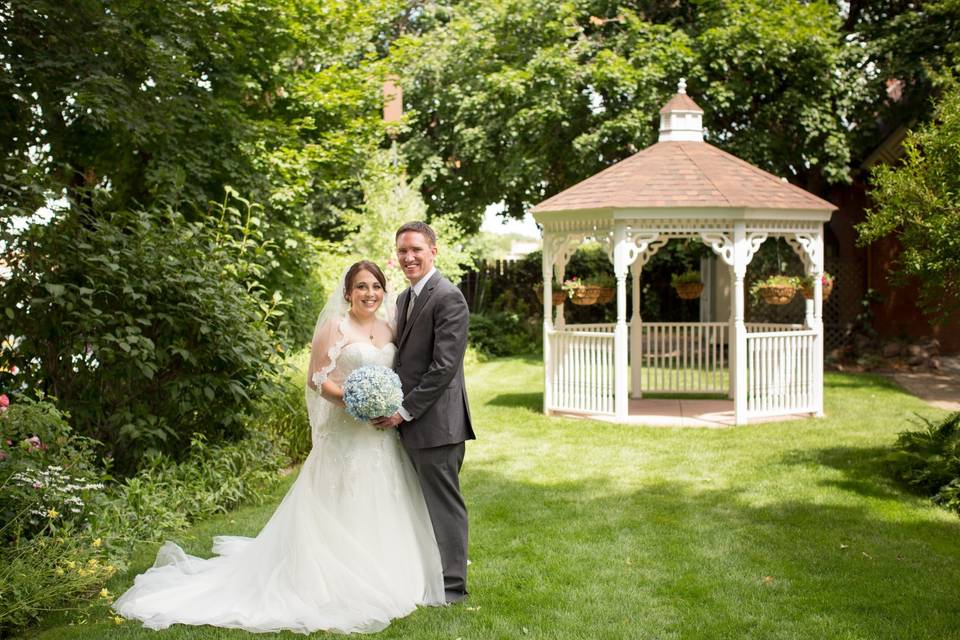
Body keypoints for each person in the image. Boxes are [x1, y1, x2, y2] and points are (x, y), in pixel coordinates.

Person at [113, 261, 444, 634]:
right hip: (347, 430)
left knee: (384, 498)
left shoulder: (390, 328)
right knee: (340, 499)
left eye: (376, 287)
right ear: (348, 292)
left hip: (380, 435)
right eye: (361, 287)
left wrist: (384, 406)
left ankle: (388, 574)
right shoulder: (335, 328)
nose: (370, 293)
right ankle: (332, 580)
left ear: (384, 291)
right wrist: (355, 402)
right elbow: (317, 380)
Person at [372, 221, 475, 604]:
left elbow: (443, 367)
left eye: (415, 249)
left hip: (437, 425)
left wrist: (403, 412)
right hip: (412, 423)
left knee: (443, 505)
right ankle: (424, 576)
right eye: (402, 251)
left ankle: (452, 588)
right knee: (417, 504)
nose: (408, 257)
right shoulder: (404, 298)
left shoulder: (448, 297)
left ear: (433, 250)